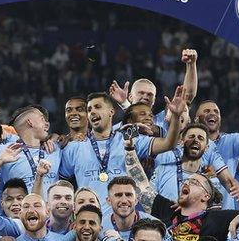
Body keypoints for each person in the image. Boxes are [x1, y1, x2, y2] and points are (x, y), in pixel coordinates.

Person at [59, 86, 187, 203]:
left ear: (111, 112)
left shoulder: (128, 137)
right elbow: (62, 185)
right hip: (89, 219)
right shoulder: (74, 146)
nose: (92, 112)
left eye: (98, 107)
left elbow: (168, 144)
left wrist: (175, 116)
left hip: (125, 216)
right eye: (89, 109)